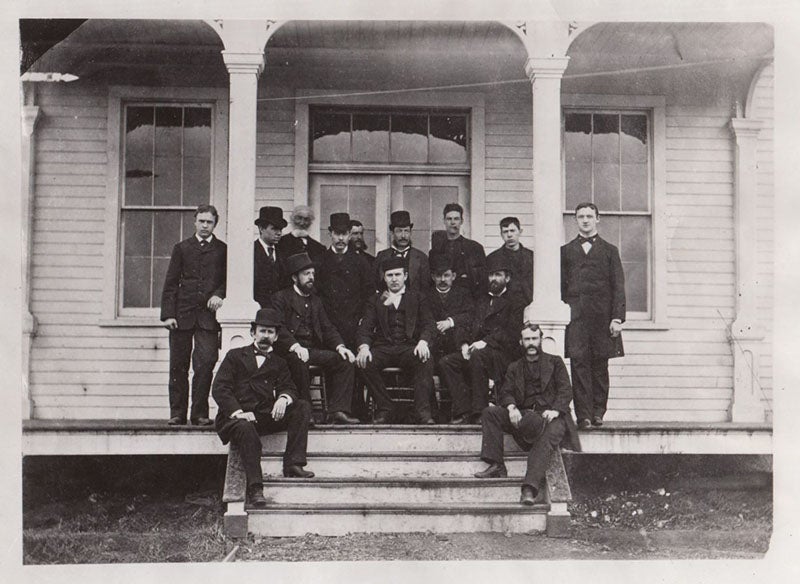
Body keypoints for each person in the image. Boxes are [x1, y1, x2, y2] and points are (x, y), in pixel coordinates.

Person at [212, 308, 314, 508]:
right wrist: (239, 412)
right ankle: (255, 488)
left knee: (301, 406)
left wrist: (283, 399)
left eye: (270, 332)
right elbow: (220, 388)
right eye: (262, 331)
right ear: (253, 333)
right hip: (235, 417)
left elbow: (289, 387)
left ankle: (294, 464)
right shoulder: (235, 356)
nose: (265, 336)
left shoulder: (280, 362)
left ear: (276, 337)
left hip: (263, 415)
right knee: (245, 428)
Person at [474, 324, 581, 505]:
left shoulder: (555, 362)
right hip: (525, 416)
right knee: (490, 413)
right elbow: (506, 392)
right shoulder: (514, 367)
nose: (531, 343)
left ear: (540, 340)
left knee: (545, 439)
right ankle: (496, 464)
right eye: (527, 339)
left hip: (552, 417)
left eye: (534, 339)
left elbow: (566, 390)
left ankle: (529, 489)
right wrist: (511, 408)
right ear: (521, 342)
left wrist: (555, 410)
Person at [271, 252, 360, 425]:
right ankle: (305, 412)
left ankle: (337, 410)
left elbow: (327, 328)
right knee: (298, 361)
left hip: (312, 349)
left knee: (345, 361)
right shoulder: (281, 298)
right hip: (289, 351)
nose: (311, 278)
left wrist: (341, 347)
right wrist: (295, 346)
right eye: (306, 274)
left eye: (312, 273)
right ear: (294, 277)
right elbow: (278, 328)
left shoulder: (316, 301)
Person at [437, 253, 525, 424]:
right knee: (447, 362)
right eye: (491, 275)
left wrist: (484, 342)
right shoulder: (482, 299)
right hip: (476, 350)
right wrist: (463, 344)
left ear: (507, 278)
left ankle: (479, 411)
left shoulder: (516, 301)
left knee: (478, 356)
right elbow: (467, 322)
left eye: (498, 275)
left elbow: (511, 332)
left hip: (503, 354)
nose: (493, 279)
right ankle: (464, 410)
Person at [561, 202, 626, 430]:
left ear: (597, 219)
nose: (585, 220)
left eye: (589, 216)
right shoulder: (566, 251)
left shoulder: (610, 251)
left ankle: (598, 412)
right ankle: (584, 416)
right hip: (576, 319)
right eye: (581, 216)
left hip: (602, 320)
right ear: (575, 220)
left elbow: (618, 286)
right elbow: (560, 288)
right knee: (579, 366)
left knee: (600, 366)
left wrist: (617, 318)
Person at [160, 204, 226, 426]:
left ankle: (199, 413)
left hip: (208, 318)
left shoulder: (223, 249)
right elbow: (170, 283)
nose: (205, 225)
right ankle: (177, 412)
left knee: (205, 363)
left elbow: (229, 280)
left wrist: (219, 294)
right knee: (178, 365)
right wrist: (168, 314)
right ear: (194, 222)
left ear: (215, 224)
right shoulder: (182, 248)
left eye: (209, 222)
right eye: (201, 221)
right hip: (182, 315)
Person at [356, 256, 437, 425]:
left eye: (398, 275)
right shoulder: (376, 300)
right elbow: (366, 327)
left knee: (425, 359)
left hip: (409, 347)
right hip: (384, 348)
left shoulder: (418, 297)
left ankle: (422, 411)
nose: (394, 279)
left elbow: (429, 324)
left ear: (405, 276)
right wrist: (363, 347)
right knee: (364, 362)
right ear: (384, 278)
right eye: (390, 275)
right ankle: (385, 408)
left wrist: (423, 342)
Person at [317, 213, 375, 419]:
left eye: (345, 234)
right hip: (328, 325)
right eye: (337, 234)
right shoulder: (321, 261)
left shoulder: (361, 262)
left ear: (350, 235)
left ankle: (355, 412)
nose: (341, 239)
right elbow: (316, 295)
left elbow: (370, 295)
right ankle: (333, 412)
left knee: (356, 368)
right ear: (330, 234)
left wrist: (364, 320)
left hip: (353, 324)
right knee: (335, 364)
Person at [429, 202, 486, 300]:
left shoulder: (474, 248)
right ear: (444, 221)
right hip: (443, 300)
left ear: (462, 221)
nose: (453, 222)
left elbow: (483, 280)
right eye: (449, 219)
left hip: (468, 300)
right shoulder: (436, 251)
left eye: (456, 219)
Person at [374, 210, 430, 297]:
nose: (403, 236)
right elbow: (374, 285)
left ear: (411, 232)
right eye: (399, 231)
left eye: (406, 231)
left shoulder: (421, 258)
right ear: (392, 233)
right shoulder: (381, 257)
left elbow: (426, 289)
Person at [486, 216, 534, 304]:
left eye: (512, 231)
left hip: (528, 305)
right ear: (501, 234)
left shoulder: (532, 257)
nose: (509, 235)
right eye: (505, 232)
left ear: (520, 232)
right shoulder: (492, 258)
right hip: (504, 308)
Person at [253, 205, 288, 308]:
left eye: (280, 229)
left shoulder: (283, 253)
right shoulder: (250, 252)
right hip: (259, 312)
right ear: (261, 228)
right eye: (274, 229)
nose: (279, 233)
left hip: (280, 311)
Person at [277, 205, 327, 269]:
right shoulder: (280, 243)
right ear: (292, 219)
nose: (302, 223)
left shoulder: (319, 248)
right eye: (299, 218)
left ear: (311, 222)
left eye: (306, 219)